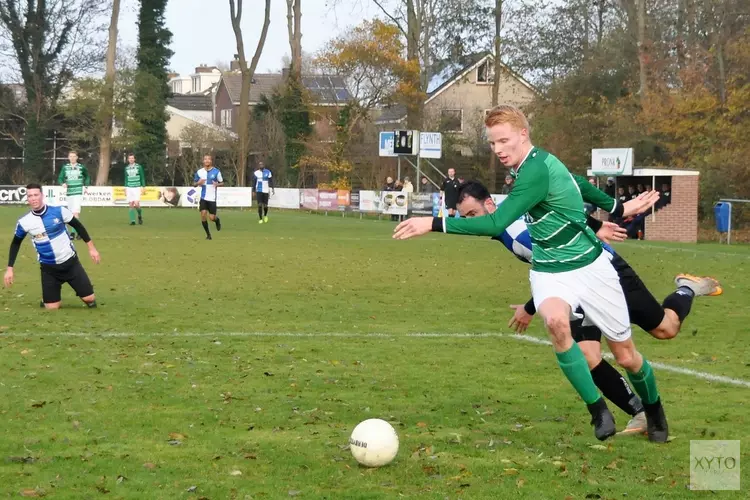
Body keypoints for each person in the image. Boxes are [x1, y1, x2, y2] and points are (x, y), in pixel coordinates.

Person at [393, 105, 668, 442]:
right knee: (555, 324)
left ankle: (653, 409)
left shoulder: (536, 170)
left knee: (627, 355)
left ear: (524, 134)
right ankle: (598, 410)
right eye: (493, 143)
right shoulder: (530, 168)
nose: (498, 150)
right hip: (550, 271)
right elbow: (574, 184)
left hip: (591, 267)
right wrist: (614, 209)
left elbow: (497, 222)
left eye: (504, 141)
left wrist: (432, 223)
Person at [456, 180, 722, 434]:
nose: (471, 222)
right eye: (465, 217)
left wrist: (530, 307)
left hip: (605, 272)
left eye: (473, 213)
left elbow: (555, 263)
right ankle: (638, 411)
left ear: (490, 204)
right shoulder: (510, 221)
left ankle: (686, 287)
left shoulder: (516, 233)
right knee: (586, 355)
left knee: (665, 328)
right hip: (575, 285)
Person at [4, 183, 101, 309]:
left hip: (70, 264)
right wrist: (10, 268)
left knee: (90, 300)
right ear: (27, 199)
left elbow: (78, 226)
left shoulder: (59, 211)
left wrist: (92, 248)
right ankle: (47, 297)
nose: (33, 198)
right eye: (30, 196)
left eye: (36, 195)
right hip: (49, 269)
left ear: (42, 196)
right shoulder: (24, 222)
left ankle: (77, 290)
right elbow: (16, 243)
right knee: (52, 308)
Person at [57, 151, 91, 240]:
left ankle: (72, 233)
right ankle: (79, 231)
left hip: (78, 192)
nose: (72, 158)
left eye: (74, 156)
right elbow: (60, 177)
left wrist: (86, 186)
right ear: (68, 158)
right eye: (70, 156)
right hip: (69, 192)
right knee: (71, 213)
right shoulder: (65, 168)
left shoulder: (81, 167)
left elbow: (87, 176)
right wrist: (62, 183)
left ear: (77, 157)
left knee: (76, 213)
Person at [193, 154, 223, 240]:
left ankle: (217, 220)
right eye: (205, 159)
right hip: (203, 198)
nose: (207, 161)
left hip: (212, 198)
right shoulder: (199, 172)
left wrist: (217, 184)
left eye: (208, 159)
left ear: (211, 161)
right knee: (203, 215)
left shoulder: (216, 171)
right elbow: (194, 184)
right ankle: (208, 235)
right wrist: (198, 183)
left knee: (211, 218)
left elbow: (222, 183)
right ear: (203, 161)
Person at [124, 153, 146, 225]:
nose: (131, 159)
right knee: (131, 204)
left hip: (137, 187)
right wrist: (125, 188)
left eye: (132, 158)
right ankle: (132, 220)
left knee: (136, 204)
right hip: (129, 187)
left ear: (134, 159)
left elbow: (142, 177)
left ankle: (139, 216)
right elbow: (126, 179)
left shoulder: (139, 167)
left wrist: (143, 187)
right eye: (130, 158)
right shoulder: (126, 168)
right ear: (128, 159)